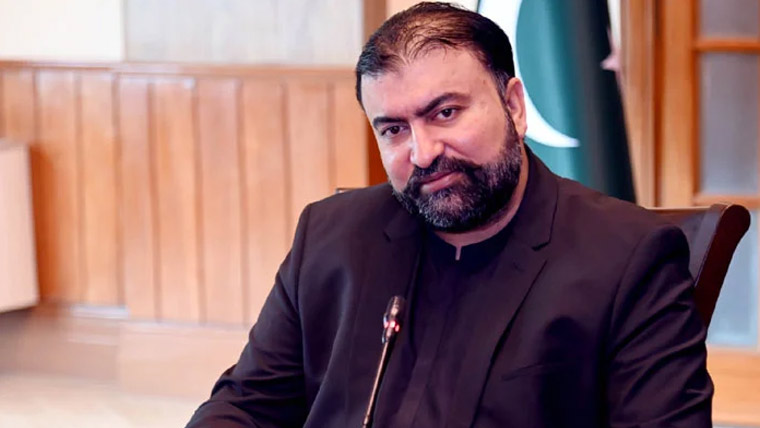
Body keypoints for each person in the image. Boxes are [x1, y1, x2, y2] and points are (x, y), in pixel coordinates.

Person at [186, 3, 713, 427]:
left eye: (445, 113)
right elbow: (246, 405)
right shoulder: (329, 236)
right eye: (394, 129)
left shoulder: (627, 258)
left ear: (514, 106)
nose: (422, 153)